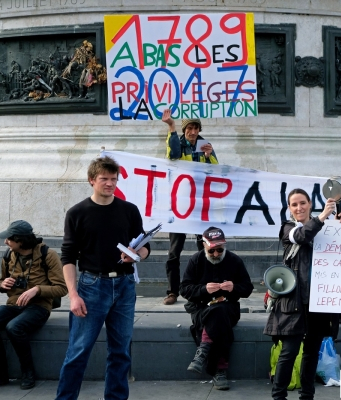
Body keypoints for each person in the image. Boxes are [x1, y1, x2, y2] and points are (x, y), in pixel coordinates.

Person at [55, 156, 150, 400]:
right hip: (91, 287)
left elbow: (145, 246)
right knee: (78, 351)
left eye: (113, 179)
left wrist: (137, 254)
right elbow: (67, 257)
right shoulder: (77, 213)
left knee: (120, 352)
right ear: (91, 180)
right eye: (104, 179)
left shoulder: (129, 210)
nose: (110, 183)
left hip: (125, 286)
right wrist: (73, 295)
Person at [264, 188, 341, 400]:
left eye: (302, 203)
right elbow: (302, 236)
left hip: (319, 300)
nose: (299, 207)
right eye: (294, 204)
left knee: (311, 353)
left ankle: (307, 396)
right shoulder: (288, 228)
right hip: (294, 302)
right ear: (289, 208)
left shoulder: (325, 225)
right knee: (289, 352)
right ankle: (279, 397)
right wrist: (322, 217)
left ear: (310, 204)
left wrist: (340, 224)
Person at [180, 227, 254, 390]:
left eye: (220, 250)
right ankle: (220, 370)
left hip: (228, 308)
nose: (216, 254)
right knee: (218, 318)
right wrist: (203, 290)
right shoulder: (196, 260)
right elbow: (184, 289)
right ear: (204, 246)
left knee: (220, 312)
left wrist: (234, 287)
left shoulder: (234, 260)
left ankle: (203, 351)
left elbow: (247, 288)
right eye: (212, 251)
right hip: (201, 308)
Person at [0, 220, 67, 389]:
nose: (5, 242)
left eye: (9, 239)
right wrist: (2, 284)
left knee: (14, 327)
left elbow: (61, 288)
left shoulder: (47, 254)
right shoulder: (8, 255)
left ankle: (28, 372)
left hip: (39, 306)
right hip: (14, 304)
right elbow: (1, 280)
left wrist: (37, 289)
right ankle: (2, 374)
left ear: (20, 241)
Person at [162, 108, 218, 305]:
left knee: (203, 249)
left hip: (199, 206)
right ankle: (172, 292)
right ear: (185, 130)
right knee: (173, 252)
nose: (193, 132)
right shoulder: (177, 142)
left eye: (196, 128)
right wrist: (172, 126)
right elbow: (173, 156)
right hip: (179, 206)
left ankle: (202, 287)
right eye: (190, 128)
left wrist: (210, 156)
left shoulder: (205, 146)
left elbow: (217, 173)